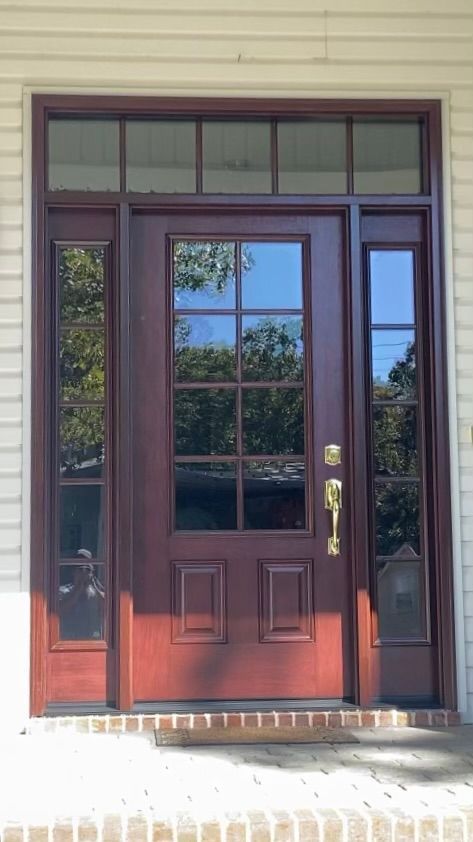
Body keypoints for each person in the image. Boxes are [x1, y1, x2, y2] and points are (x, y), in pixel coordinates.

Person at [58, 549, 105, 640]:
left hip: (94, 639)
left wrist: (94, 587)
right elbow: (59, 611)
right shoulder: (63, 591)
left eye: (87, 570)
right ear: (73, 572)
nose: (83, 573)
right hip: (68, 639)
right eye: (80, 569)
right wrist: (78, 590)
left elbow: (108, 609)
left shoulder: (96, 592)